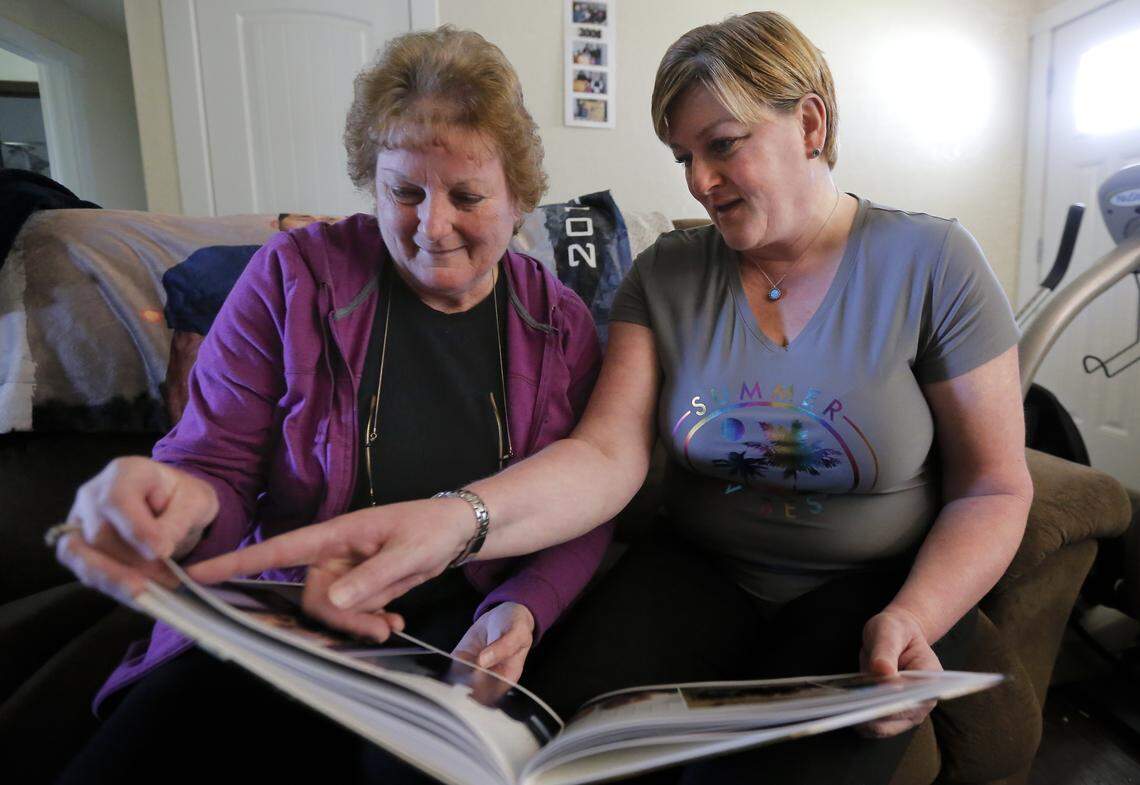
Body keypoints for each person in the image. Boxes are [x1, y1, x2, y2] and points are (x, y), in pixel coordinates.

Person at [192, 11, 1033, 785]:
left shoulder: (934, 263)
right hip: (699, 570)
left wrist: (914, 615)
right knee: (546, 742)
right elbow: (605, 454)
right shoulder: (666, 274)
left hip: (867, 579)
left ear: (810, 124)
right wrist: (460, 517)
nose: (701, 181)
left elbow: (996, 485)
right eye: (682, 157)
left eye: (723, 145)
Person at [52, 26, 610, 784]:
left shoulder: (561, 323)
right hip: (289, 616)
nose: (431, 225)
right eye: (403, 191)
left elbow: (587, 503)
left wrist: (527, 604)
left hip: (455, 638)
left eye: (467, 195)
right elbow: (209, 462)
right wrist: (176, 500)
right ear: (370, 183)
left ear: (518, 196)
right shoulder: (294, 277)